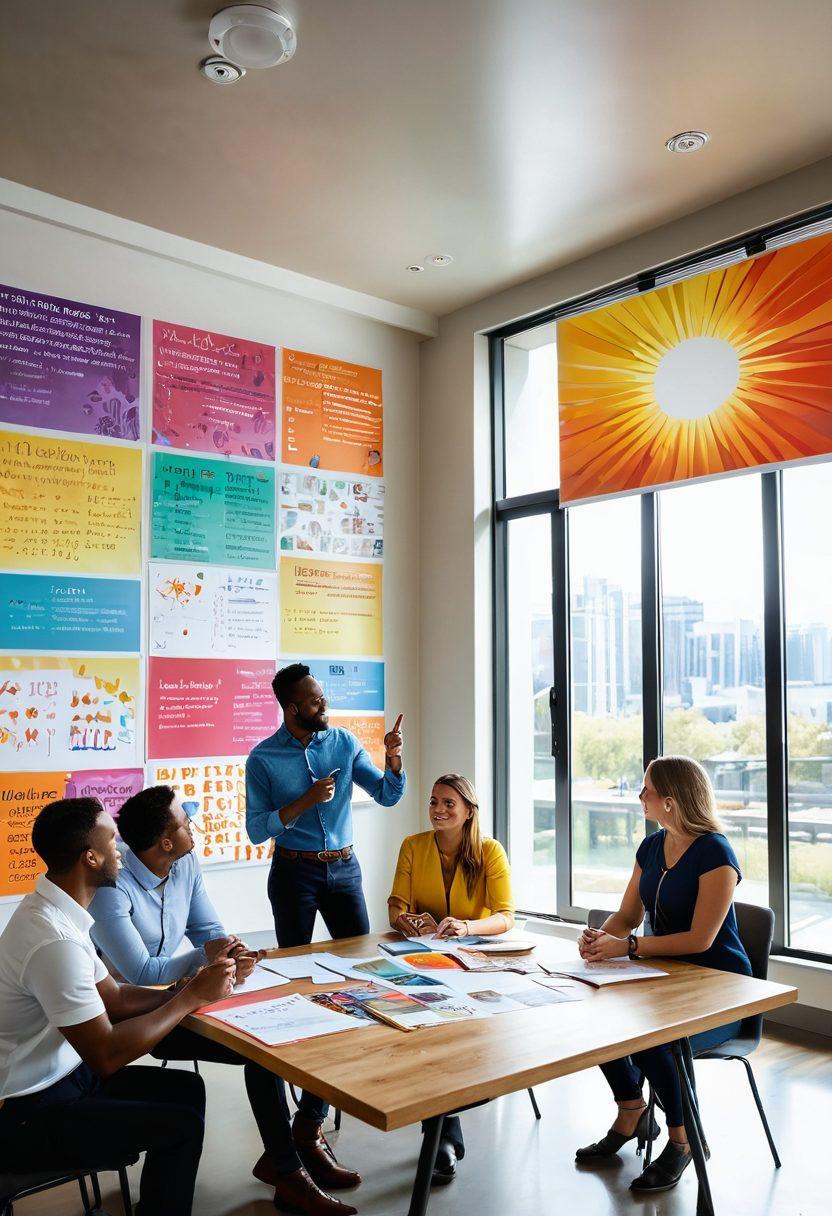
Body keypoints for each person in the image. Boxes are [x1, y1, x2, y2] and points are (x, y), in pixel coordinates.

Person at [90, 785, 360, 1216]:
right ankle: (287, 1169)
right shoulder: (111, 885)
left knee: (298, 1024)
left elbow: (208, 929)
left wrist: (231, 951)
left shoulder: (185, 862)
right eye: (185, 820)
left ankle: (301, 1140)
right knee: (260, 1051)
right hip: (138, 1013)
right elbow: (141, 972)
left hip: (189, 997)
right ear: (164, 841)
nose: (193, 823)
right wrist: (206, 958)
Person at [0, 796, 234, 1216]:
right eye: (112, 839)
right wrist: (191, 998)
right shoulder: (54, 940)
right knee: (180, 1126)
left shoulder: (58, 913)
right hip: (29, 1111)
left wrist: (183, 991)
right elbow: (107, 1054)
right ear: (90, 857)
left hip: (68, 1078)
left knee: (187, 1091)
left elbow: (115, 996)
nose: (122, 850)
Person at [574, 755, 753, 1195]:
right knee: (599, 1020)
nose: (640, 796)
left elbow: (701, 939)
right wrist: (601, 939)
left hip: (722, 988)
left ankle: (684, 1140)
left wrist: (629, 946)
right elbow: (628, 914)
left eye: (646, 790)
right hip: (664, 977)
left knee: (657, 1039)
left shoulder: (716, 853)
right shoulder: (651, 847)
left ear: (670, 801)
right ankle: (632, 1111)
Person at [387, 774, 514, 1186]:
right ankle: (442, 1128)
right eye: (434, 802)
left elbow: (506, 916)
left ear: (468, 811)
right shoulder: (413, 845)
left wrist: (467, 925)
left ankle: (443, 1128)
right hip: (421, 960)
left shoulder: (490, 851)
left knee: (449, 1035)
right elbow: (395, 906)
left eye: (449, 804)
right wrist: (405, 921)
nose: (439, 810)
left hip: (473, 961)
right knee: (423, 1033)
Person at [246, 662, 406, 949]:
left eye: (323, 697)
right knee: (294, 962)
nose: (324, 705)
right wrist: (306, 800)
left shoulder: (344, 742)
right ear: (292, 709)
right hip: (293, 873)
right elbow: (256, 830)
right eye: (315, 701)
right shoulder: (262, 758)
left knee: (360, 957)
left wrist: (393, 758)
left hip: (344, 868)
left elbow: (387, 795)